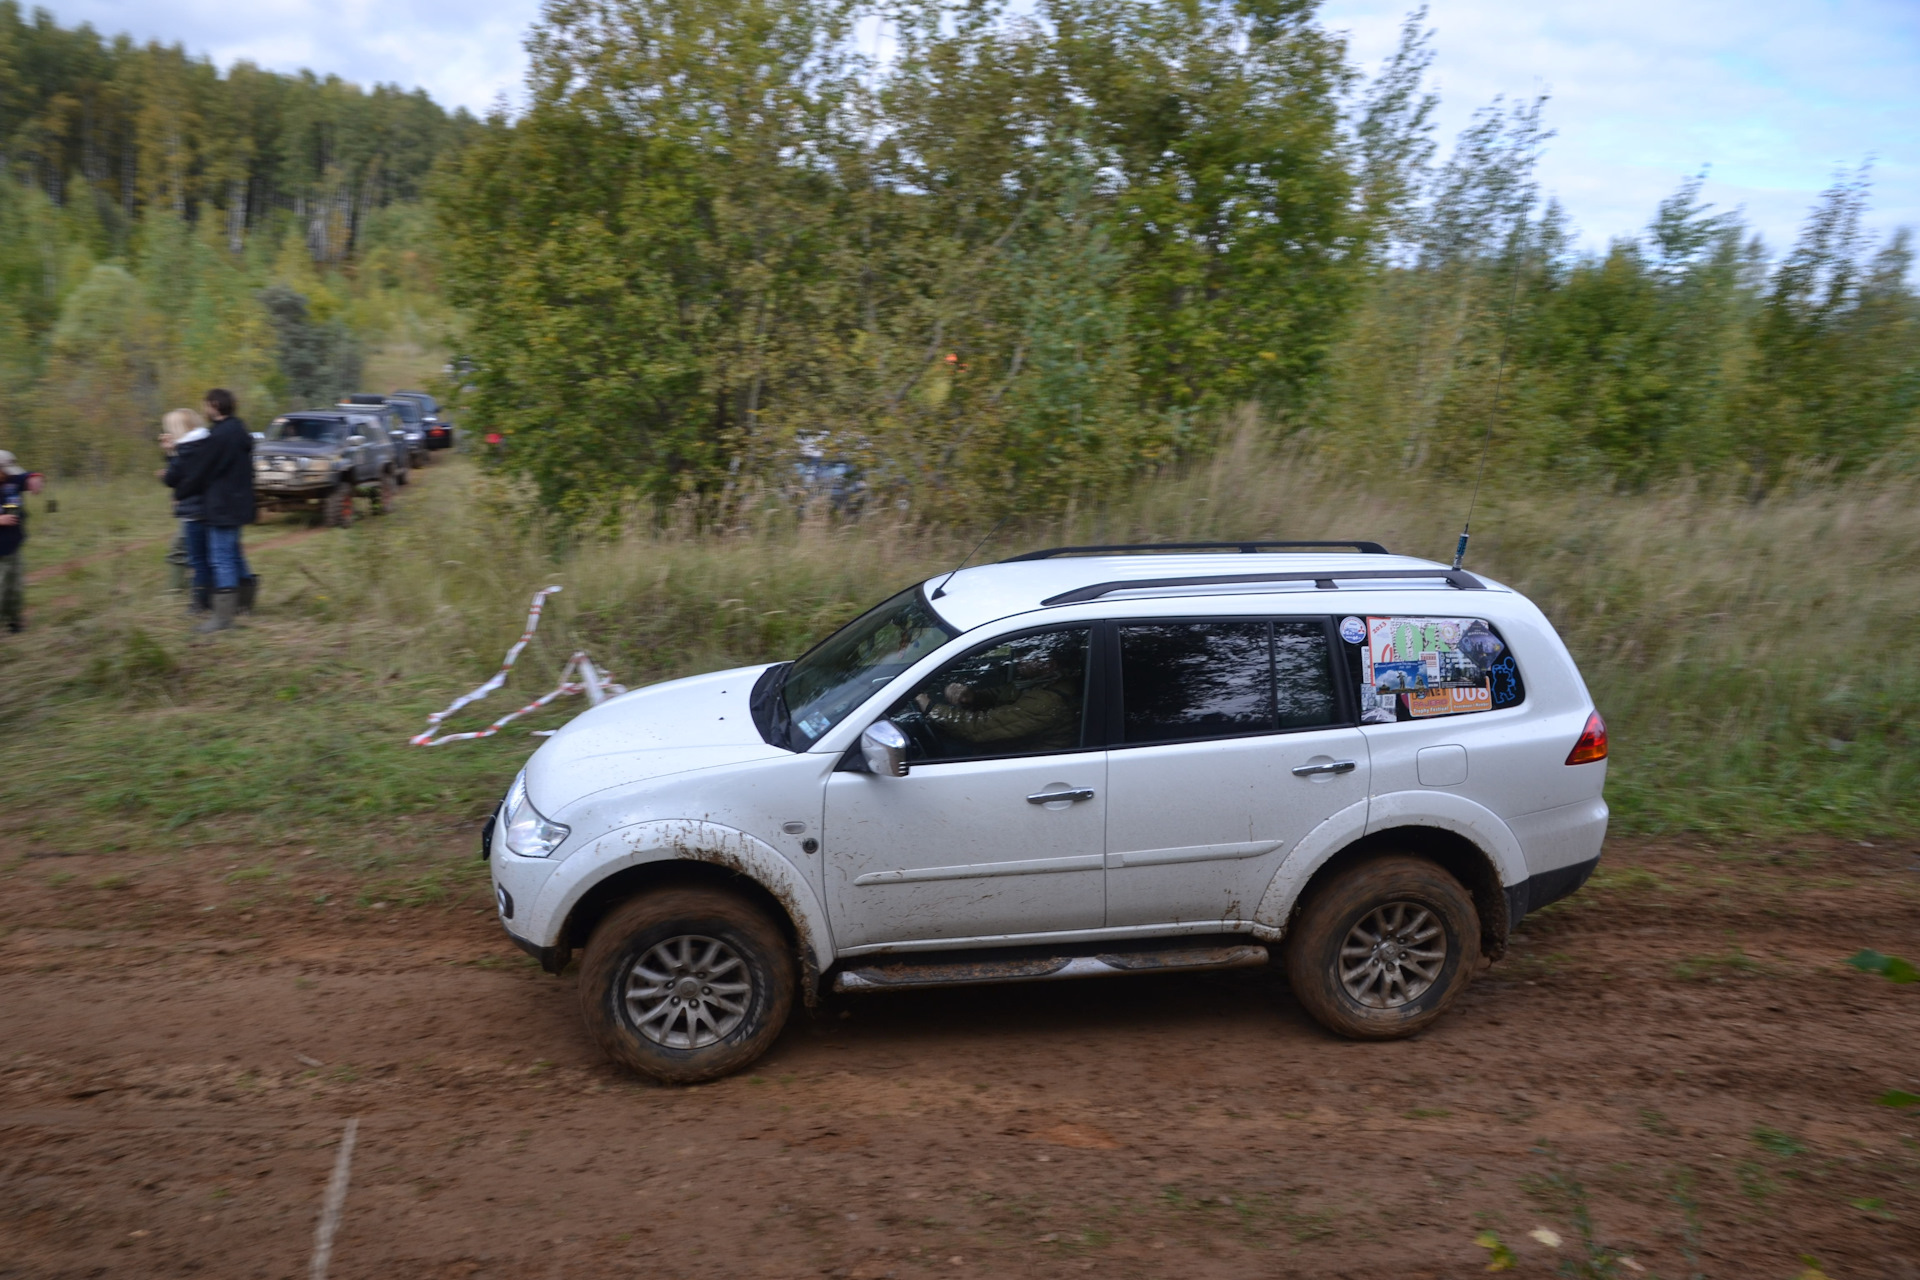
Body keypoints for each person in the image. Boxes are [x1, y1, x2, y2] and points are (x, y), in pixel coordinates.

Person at [166, 388, 257, 633]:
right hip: (238, 504)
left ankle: (223, 619)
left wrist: (180, 491)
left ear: (215, 405)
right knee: (235, 554)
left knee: (221, 559)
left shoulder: (218, 437)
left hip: (221, 506)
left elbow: (200, 472)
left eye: (206, 405)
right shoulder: (239, 430)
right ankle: (245, 605)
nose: (204, 410)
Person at [916, 653, 1080, 751]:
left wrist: (931, 707)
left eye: (1027, 655)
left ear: (1049, 665)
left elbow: (980, 728)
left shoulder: (1047, 702)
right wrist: (973, 697)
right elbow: (1005, 694)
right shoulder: (1039, 683)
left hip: (1029, 762)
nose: (1018, 659)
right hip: (1018, 746)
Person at [159, 409, 211, 611]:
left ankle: (184, 595)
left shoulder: (189, 450)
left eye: (170, 429)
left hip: (196, 509)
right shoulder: (201, 445)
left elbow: (175, 477)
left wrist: (171, 454)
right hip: (202, 507)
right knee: (197, 553)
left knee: (182, 551)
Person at [0, 449, 46, 634]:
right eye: (6, 470)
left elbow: (26, 477)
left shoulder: (12, 480)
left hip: (14, 546)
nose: (10, 474)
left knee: (16, 587)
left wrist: (36, 477)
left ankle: (15, 622)